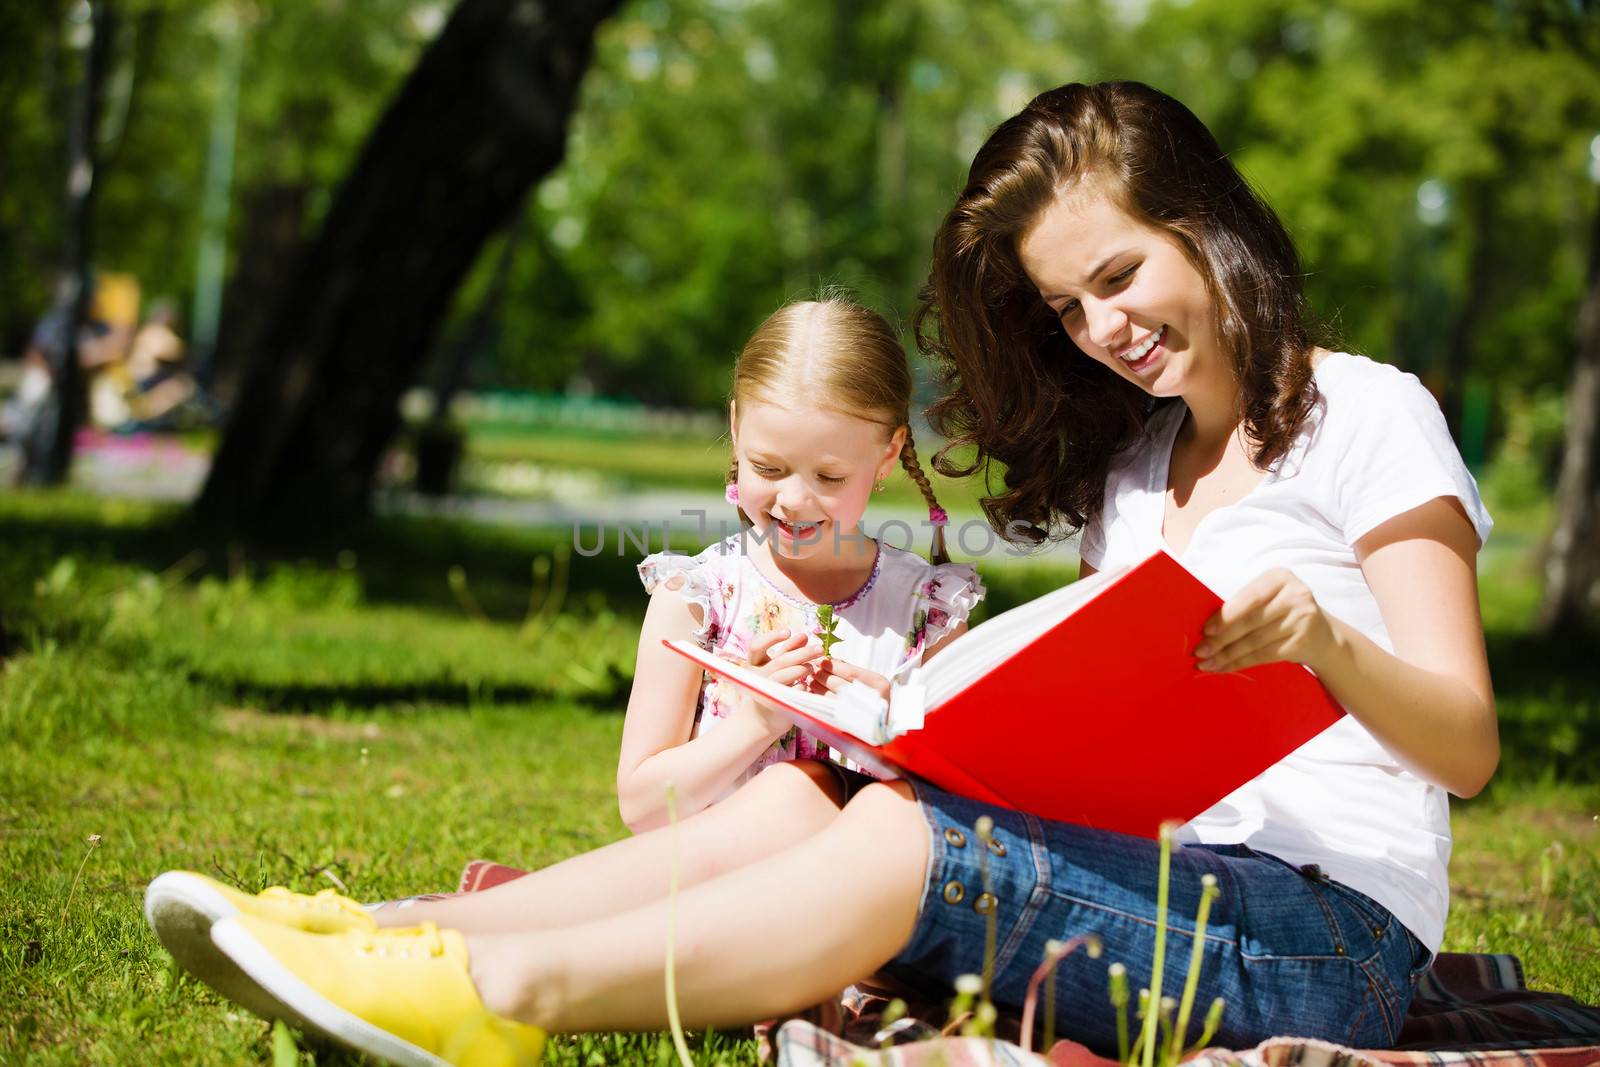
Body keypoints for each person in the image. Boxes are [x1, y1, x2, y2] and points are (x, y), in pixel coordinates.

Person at [145, 82, 1497, 1066]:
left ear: (1206, 220)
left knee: (905, 842)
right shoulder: (1139, 474)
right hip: (1162, 878)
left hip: (1327, 936)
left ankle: (498, 993)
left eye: (1118, 274)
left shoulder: (1367, 414)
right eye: (1067, 307)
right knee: (810, 792)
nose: (1103, 329)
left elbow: (1470, 743)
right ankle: (392, 931)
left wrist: (1325, 639)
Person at [612, 297, 981, 831]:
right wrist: (757, 721)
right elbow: (641, 807)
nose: (793, 501)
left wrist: (900, 732)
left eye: (829, 478)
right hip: (711, 888)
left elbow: (970, 807)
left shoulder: (928, 612)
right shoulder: (697, 597)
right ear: (736, 429)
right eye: (768, 467)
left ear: (887, 453)